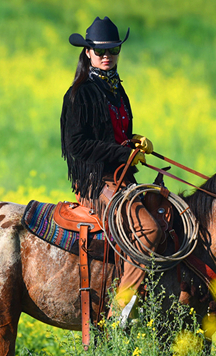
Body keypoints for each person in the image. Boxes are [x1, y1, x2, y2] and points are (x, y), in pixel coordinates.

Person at [60, 17, 163, 322]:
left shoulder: (117, 91)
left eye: (113, 50)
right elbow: (76, 146)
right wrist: (122, 152)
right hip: (95, 182)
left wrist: (133, 141)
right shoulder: (79, 94)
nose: (107, 56)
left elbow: (112, 135)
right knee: (150, 229)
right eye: (100, 51)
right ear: (88, 52)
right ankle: (123, 307)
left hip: (121, 178)